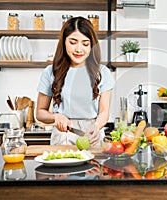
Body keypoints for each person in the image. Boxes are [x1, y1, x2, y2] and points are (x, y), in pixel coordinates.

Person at [36, 16, 114, 147]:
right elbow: (40, 112)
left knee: (93, 167)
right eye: (73, 42)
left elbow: (104, 112)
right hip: (63, 135)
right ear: (64, 42)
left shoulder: (102, 72)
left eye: (85, 44)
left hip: (92, 135)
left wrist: (96, 126)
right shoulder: (50, 72)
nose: (79, 49)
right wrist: (56, 117)